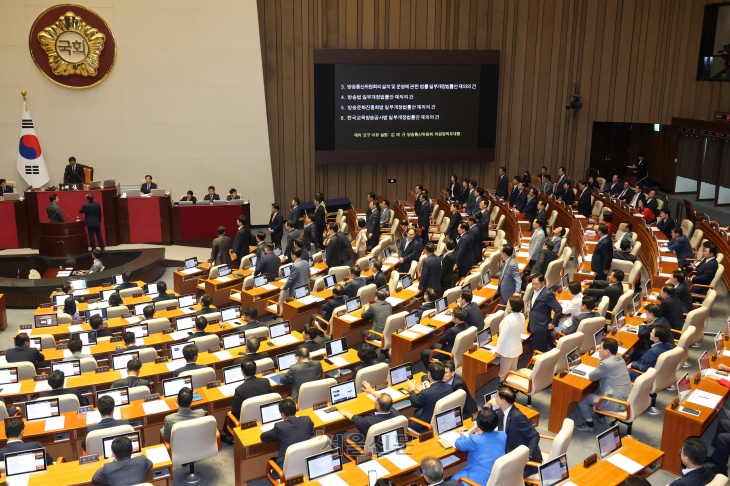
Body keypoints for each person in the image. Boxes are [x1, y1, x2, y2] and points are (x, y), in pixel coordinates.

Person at [574, 337, 632, 432]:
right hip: (625, 397)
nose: (598, 350)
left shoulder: (607, 364)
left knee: (581, 397)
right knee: (597, 387)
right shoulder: (620, 359)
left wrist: (601, 361)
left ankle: (589, 425)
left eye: (600, 348)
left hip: (615, 402)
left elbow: (592, 376)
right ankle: (600, 415)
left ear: (607, 352)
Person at [489, 386, 542, 475]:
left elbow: (535, 436)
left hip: (523, 462)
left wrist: (528, 455)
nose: (494, 398)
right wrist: (487, 405)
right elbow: (491, 422)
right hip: (509, 450)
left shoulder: (518, 417)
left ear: (503, 401)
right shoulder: (502, 410)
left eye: (496, 396)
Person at [452, 408, 506, 485]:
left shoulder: (475, 440)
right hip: (496, 478)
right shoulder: (503, 435)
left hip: (478, 481)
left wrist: (471, 430)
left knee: (453, 481)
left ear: (479, 424)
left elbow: (458, 444)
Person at [260, 398, 314, 470]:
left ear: (282, 414)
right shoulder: (306, 420)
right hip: (305, 462)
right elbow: (311, 425)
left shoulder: (279, 427)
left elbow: (263, 437)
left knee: (272, 459)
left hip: (286, 467)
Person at [409, 362, 452, 430]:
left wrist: (411, 389)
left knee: (408, 419)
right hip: (442, 419)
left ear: (429, 374)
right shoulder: (449, 387)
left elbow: (414, 403)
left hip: (426, 424)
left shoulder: (426, 393)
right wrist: (428, 389)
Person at [527, 273, 562, 352]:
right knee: (541, 347)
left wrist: (553, 323)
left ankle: (537, 364)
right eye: (533, 284)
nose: (534, 286)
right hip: (534, 324)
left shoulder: (547, 294)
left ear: (543, 283)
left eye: (537, 284)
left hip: (541, 326)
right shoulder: (535, 291)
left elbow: (558, 309)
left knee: (535, 350)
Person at [230, 358, 272, 422]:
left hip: (248, 421)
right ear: (256, 370)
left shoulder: (240, 390)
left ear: (242, 372)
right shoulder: (265, 381)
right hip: (266, 416)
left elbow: (235, 411)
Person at [496, 295, 526, 382]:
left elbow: (502, 337)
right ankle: (512, 388)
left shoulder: (508, 320)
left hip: (507, 350)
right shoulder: (521, 316)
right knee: (513, 370)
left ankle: (502, 391)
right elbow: (522, 330)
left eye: (508, 303)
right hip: (516, 347)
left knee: (503, 374)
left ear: (512, 306)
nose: (507, 304)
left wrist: (498, 350)